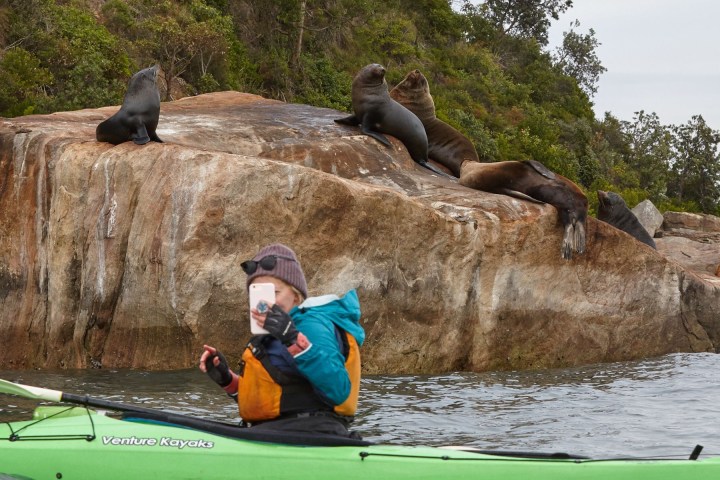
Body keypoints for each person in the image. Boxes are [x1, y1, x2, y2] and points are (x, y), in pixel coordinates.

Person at [199, 243, 365, 437]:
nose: (264, 301)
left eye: (274, 293)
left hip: (312, 436)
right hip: (273, 433)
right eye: (256, 293)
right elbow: (282, 397)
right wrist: (228, 380)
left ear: (295, 296)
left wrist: (292, 338)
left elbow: (338, 390)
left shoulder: (311, 326)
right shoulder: (272, 334)